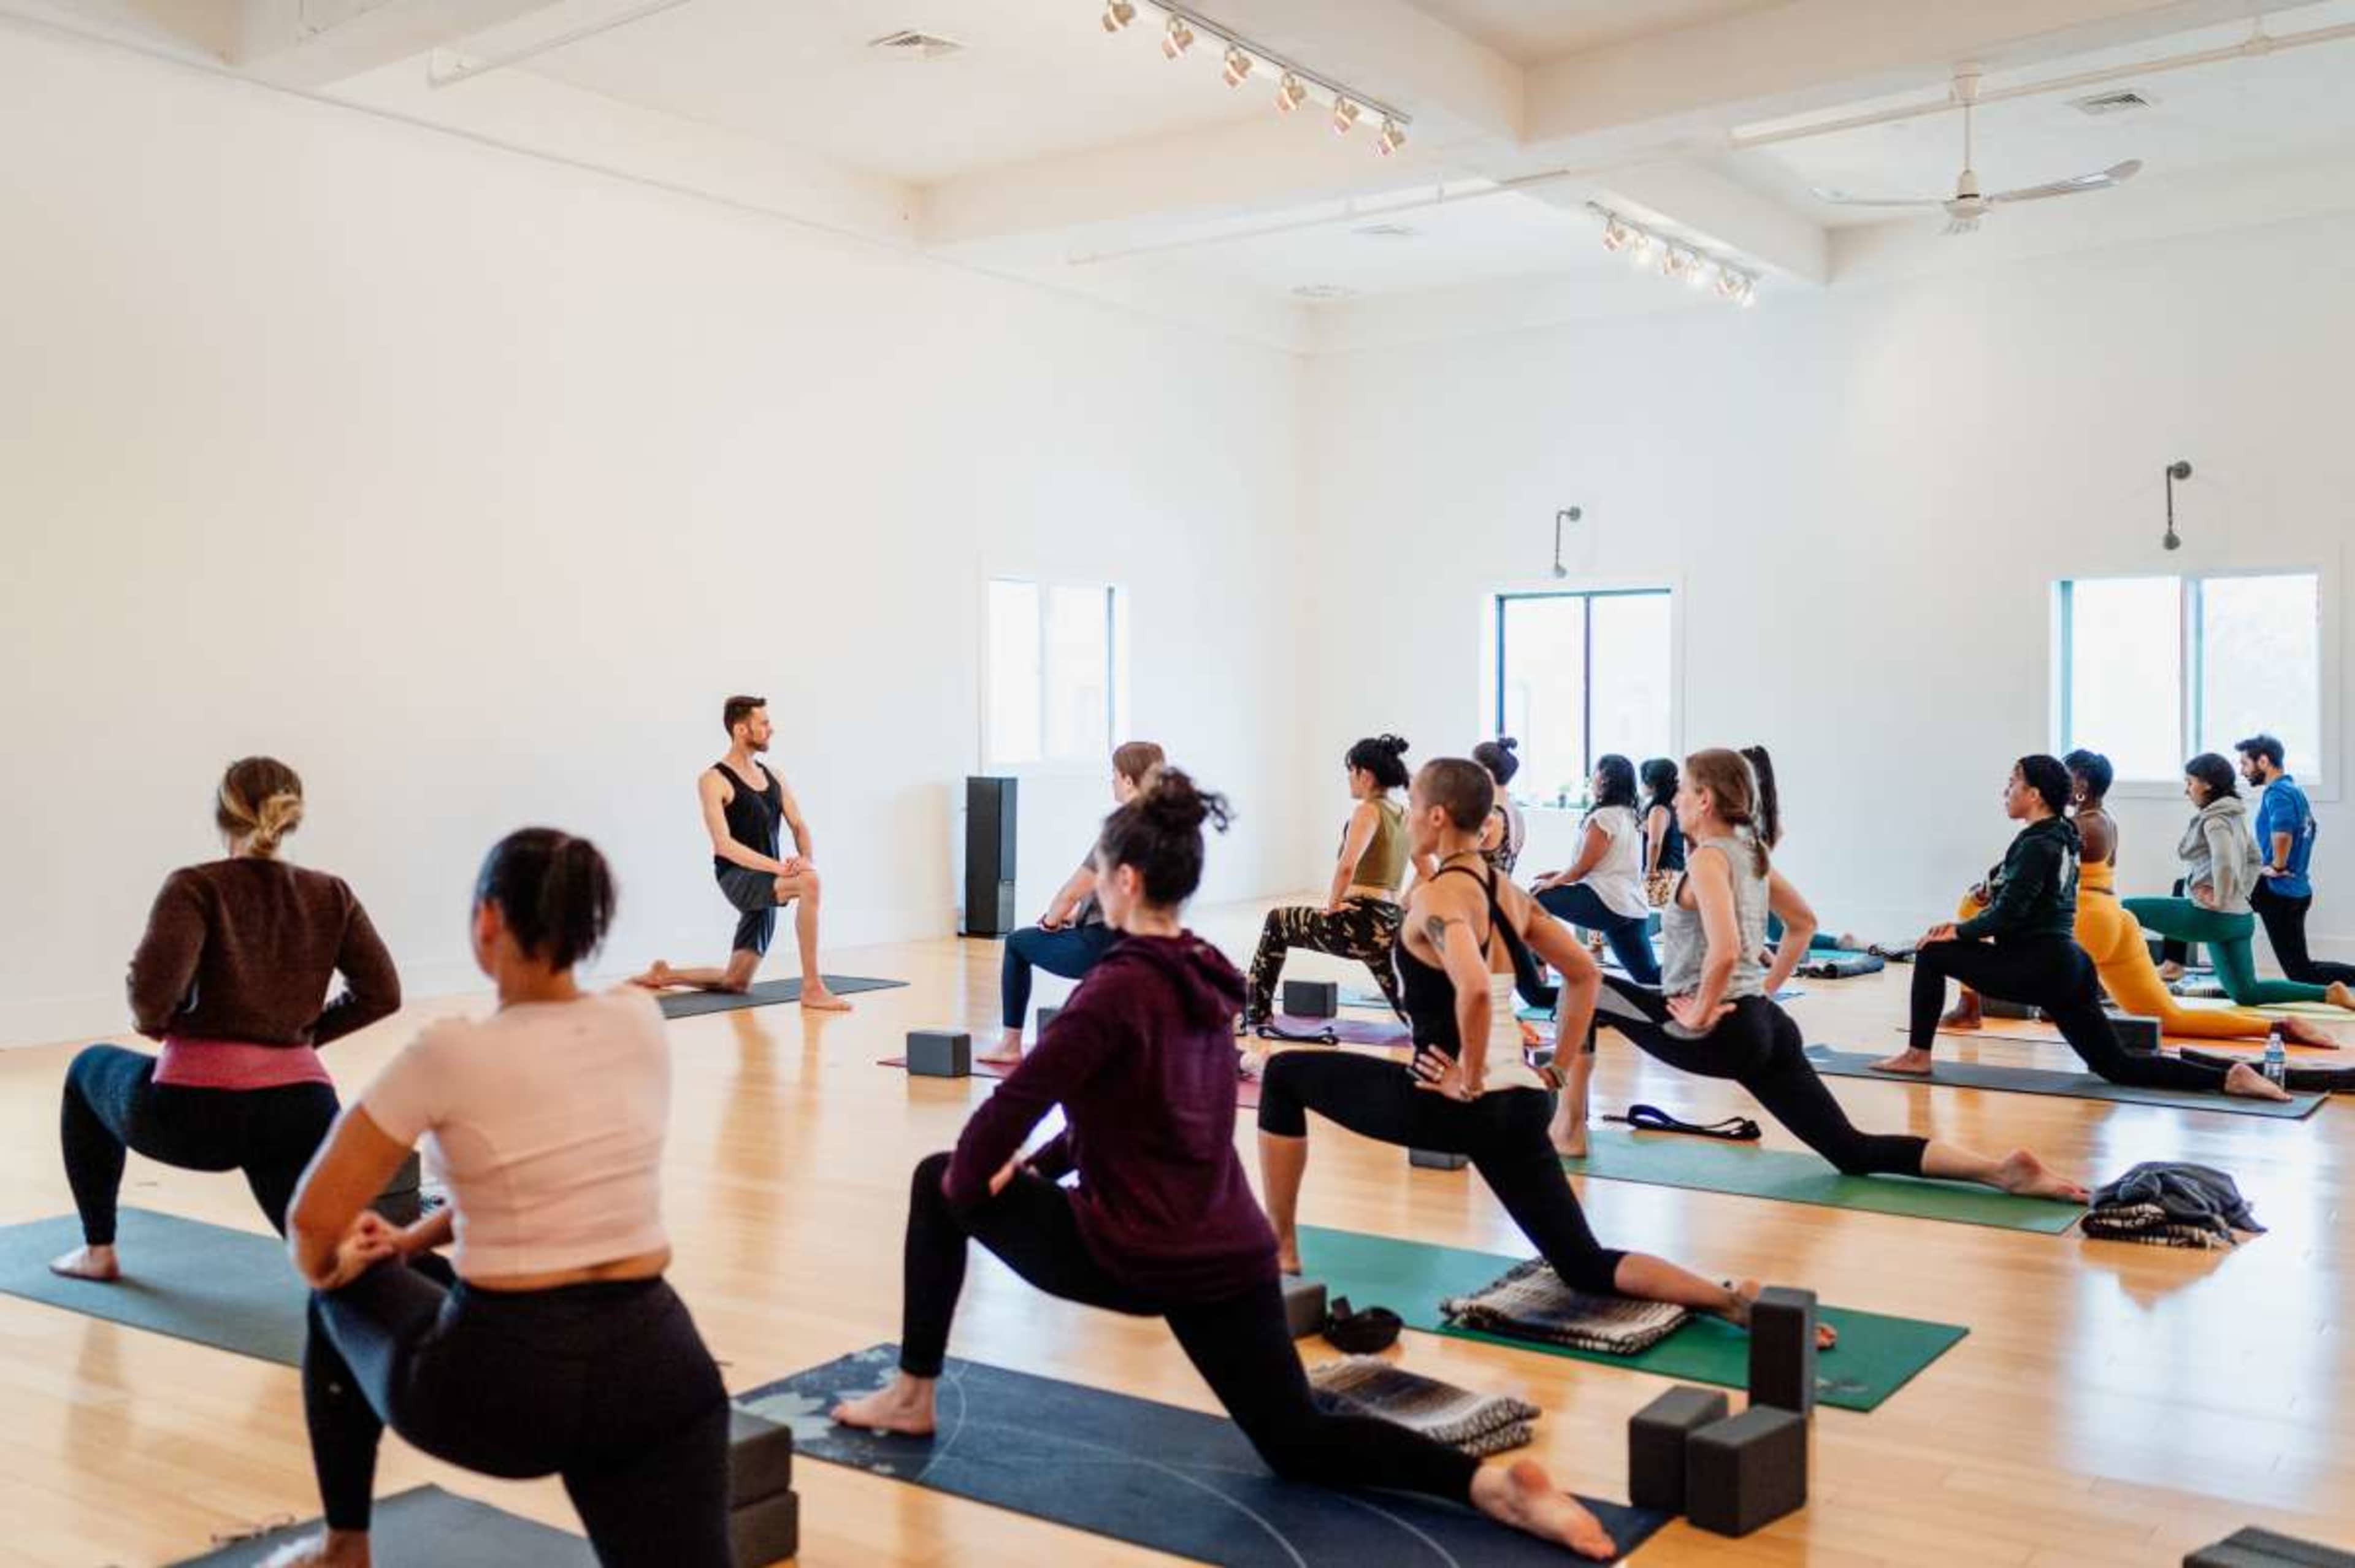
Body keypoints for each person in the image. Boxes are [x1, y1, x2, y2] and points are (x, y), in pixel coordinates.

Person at [830, 772, 1624, 1561]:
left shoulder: (1111, 992)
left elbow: (1001, 1117)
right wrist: (1038, 1174)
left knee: (936, 1178)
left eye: (1098, 875)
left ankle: (912, 1394)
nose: (1092, 889)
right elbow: (1132, 1116)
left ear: (1127, 881)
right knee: (1298, 1440)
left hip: (1141, 1256)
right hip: (1232, 1251)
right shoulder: (1208, 974)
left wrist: (976, 1188)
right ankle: (1490, 1488)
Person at [274, 830, 730, 1568]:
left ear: (488, 920)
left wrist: (338, 1267)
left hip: (504, 1386)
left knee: (338, 1303)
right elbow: (543, 1182)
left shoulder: (449, 1051)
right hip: (659, 1370)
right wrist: (413, 1243)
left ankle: (344, 1548)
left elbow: (313, 1221)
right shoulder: (640, 1021)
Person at [1257, 758, 1824, 1340]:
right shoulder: (1508, 893)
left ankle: (1282, 1252)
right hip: (1525, 1101)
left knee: (1283, 1076)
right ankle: (1727, 1300)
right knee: (1583, 1262)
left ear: (1436, 815)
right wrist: (1553, 1066)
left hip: (1455, 1102)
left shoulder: (1436, 899)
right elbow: (1581, 974)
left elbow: (1475, 987)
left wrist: (1468, 1075)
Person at [1566, 749, 2091, 1189]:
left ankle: (1569, 1128)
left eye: (1681, 789)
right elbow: (1803, 924)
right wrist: (1762, 994)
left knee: (1580, 986)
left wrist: (1699, 1013)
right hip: (1766, 1027)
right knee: (1851, 1149)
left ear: (1703, 800)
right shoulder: (1752, 854)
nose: (1674, 798)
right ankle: (2001, 1172)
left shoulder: (1708, 859)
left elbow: (1725, 950)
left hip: (1720, 1029)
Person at [50, 758, 399, 1283]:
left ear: (222, 816)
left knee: (86, 1068)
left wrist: (165, 1027)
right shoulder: (332, 893)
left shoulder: (195, 886)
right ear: (293, 817)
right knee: (338, 1262)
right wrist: (297, 1040)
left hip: (196, 1118)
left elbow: (150, 999)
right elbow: (382, 993)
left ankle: (98, 1250)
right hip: (301, 1111)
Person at [1872, 757, 2294, 1098]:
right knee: (2116, 1065)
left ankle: (1917, 1053)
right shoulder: (2059, 835)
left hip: (2035, 964)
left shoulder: (2040, 843)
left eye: (2012, 783)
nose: (2006, 791)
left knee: (1931, 953)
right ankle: (2227, 1077)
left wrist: (1958, 932)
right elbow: (2009, 889)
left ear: (2034, 794)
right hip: (2070, 964)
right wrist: (1978, 902)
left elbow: (2009, 915)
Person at [1940, 751, 2339, 1046]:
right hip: (2123, 920)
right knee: (2178, 1013)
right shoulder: (2103, 818)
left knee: (1971, 907)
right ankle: (2276, 1027)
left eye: (2065, 778)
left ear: (2079, 786)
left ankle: (1970, 1006)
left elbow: (2023, 874)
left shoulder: (2072, 826)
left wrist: (2221, 892)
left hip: (2093, 919)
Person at [632, 695, 850, 1011]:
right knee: (810, 883)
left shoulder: (774, 776)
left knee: (737, 981)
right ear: (741, 730)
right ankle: (812, 988)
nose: (771, 729)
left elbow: (799, 824)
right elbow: (724, 845)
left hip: (769, 880)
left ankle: (664, 975)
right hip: (738, 878)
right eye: (764, 723)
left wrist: (805, 858)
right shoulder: (713, 780)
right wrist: (782, 868)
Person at [2121, 755, 2355, 1013]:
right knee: (2247, 993)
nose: (2187, 790)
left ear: (2207, 784)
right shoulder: (2236, 816)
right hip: (2239, 920)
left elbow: (2223, 861)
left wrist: (2221, 899)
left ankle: (2125, 979)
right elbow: (2255, 858)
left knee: (2126, 908)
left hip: (2211, 917)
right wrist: (2239, 892)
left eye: (2190, 783)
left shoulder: (2215, 819)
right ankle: (2329, 993)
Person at [980, 741, 1165, 1065]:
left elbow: (1072, 891)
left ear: (1129, 781)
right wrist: (1078, 917)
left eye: (1114, 774)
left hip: (1103, 948)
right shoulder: (1166, 828)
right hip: (1146, 947)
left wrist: (1051, 922)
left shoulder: (1123, 828)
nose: (1111, 781)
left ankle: (1010, 1045)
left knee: (1017, 943)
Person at [1241, 735, 1428, 1027]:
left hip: (1360, 921)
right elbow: (1428, 871)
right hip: (1390, 924)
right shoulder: (1404, 815)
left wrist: (1333, 905)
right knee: (1411, 1012)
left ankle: (1256, 1014)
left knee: (1277, 921)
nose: (1349, 780)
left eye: (1350, 772)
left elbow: (1347, 866)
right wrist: (1401, 905)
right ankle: (1439, 1038)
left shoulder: (1367, 811)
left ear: (1364, 774)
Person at [1529, 755, 1658, 985]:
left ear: (1606, 779)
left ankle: (1538, 969)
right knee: (1649, 976)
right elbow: (1606, 864)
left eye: (1596, 772)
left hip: (1606, 903)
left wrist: (1555, 882)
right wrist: (1559, 875)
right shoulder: (1631, 815)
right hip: (1631, 908)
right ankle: (1699, 983)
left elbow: (1582, 868)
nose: (1592, 777)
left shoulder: (1603, 818)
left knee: (1537, 897)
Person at [2238, 733, 2355, 987]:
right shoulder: (2294, 791)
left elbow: (2283, 833)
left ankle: (2176, 962)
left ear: (2264, 761)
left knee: (2302, 973)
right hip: (2293, 890)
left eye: (2245, 764)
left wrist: (2278, 866)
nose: (2242, 772)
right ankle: (2186, 962)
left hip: (2279, 892)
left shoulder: (2277, 793)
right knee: (2217, 894)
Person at [1472, 736, 1527, 875]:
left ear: (1487, 773)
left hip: (1480, 894)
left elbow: (1455, 858)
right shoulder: (1515, 812)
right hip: (1502, 892)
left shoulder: (1490, 815)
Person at [1639, 757, 1684, 906]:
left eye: (1642, 781)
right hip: (1676, 872)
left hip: (1663, 876)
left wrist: (1649, 870)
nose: (1641, 785)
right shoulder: (1674, 805)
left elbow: (1655, 843)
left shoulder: (1658, 810)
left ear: (1652, 784)